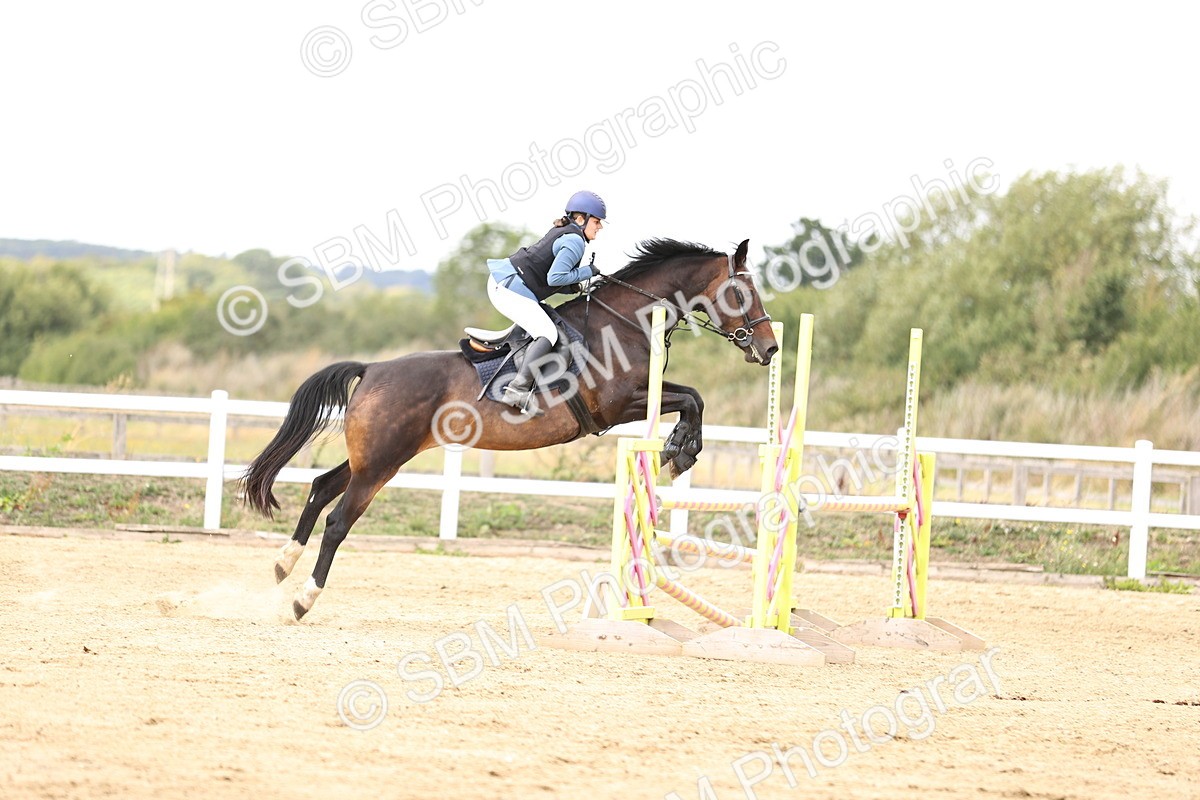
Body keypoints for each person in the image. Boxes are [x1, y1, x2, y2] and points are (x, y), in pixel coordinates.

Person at [486, 190, 606, 416]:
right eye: (597, 221)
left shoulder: (568, 233)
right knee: (548, 333)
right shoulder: (575, 241)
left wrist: (575, 285)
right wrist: (587, 271)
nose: (600, 227)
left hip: (508, 283)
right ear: (581, 219)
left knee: (546, 327)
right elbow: (555, 278)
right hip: (508, 287)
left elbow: (553, 276)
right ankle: (517, 389)